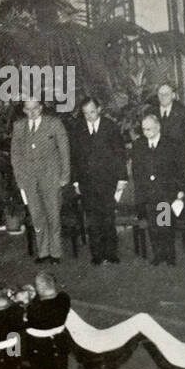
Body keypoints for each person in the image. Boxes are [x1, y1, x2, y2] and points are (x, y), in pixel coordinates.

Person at [10, 95, 71, 263]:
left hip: (51, 178)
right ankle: (43, 252)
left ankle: (55, 253)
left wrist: (64, 175)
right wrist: (20, 179)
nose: (32, 112)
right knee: (37, 216)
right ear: (23, 110)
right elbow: (15, 156)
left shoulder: (54, 123)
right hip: (29, 180)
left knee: (53, 216)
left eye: (35, 108)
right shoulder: (19, 126)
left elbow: (64, 151)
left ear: (41, 107)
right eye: (28, 109)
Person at [69, 96, 128, 265]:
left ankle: (111, 253)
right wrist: (76, 182)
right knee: (93, 221)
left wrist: (122, 178)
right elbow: (75, 158)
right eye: (86, 113)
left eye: (92, 112)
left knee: (108, 218)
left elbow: (120, 154)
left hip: (108, 182)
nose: (90, 116)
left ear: (100, 109)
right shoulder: (78, 129)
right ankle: (97, 254)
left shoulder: (110, 127)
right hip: (87, 183)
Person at [130, 111, 185, 266]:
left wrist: (180, 190)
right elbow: (137, 170)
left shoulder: (170, 144)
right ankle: (158, 254)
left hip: (165, 192)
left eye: (150, 129)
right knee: (153, 226)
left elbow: (179, 169)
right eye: (144, 129)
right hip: (148, 193)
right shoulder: (139, 145)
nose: (146, 132)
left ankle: (169, 255)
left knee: (165, 225)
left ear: (158, 127)